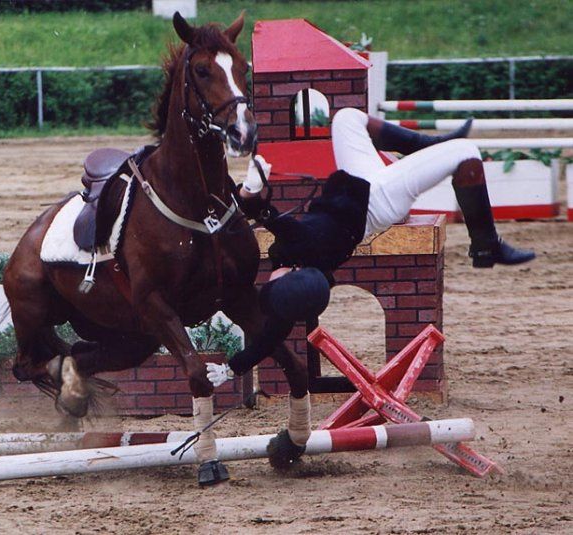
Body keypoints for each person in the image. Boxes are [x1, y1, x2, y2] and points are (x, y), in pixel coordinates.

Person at [206, 108, 535, 461]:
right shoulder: (306, 249)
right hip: (379, 200)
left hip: (358, 181)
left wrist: (231, 368)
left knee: (346, 118)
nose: (272, 275)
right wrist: (256, 201)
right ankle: (487, 245)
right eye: (276, 278)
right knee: (464, 154)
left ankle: (424, 145)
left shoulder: (294, 287)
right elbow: (286, 227)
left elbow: (270, 338)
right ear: (293, 275)